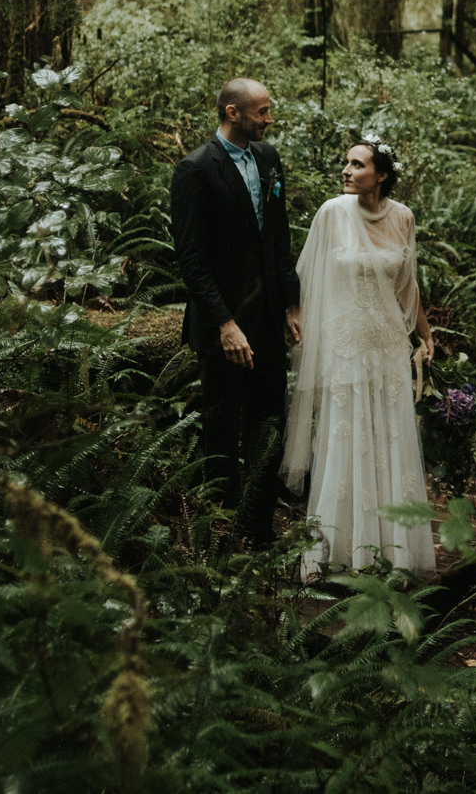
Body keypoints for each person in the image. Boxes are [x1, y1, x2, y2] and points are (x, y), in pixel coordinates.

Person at [281, 139, 438, 577]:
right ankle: (333, 547)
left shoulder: (403, 217)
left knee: (389, 442)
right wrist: (297, 317)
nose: (346, 170)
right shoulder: (332, 212)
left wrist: (425, 335)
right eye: (346, 163)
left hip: (387, 345)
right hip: (346, 345)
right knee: (343, 439)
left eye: (357, 164)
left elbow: (407, 288)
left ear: (381, 174)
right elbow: (306, 275)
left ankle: (393, 551)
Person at [170, 78, 304, 547]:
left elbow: (279, 237)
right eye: (262, 112)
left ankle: (261, 531)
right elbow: (192, 258)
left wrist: (291, 302)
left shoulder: (268, 160)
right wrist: (224, 324)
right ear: (232, 112)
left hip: (267, 317)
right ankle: (220, 537)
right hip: (221, 323)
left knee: (269, 424)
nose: (269, 119)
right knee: (222, 430)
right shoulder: (194, 170)